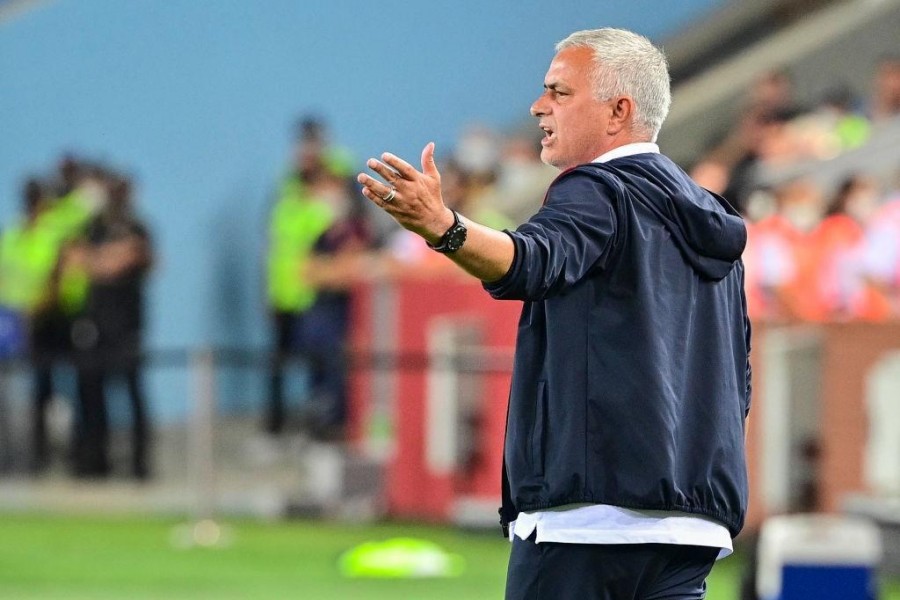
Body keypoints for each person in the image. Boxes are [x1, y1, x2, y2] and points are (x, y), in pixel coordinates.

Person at [357, 28, 750, 600]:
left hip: (590, 521)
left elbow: (531, 260)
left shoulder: (597, 189)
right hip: (691, 525)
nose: (539, 107)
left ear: (619, 111)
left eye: (560, 92)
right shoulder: (711, 215)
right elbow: (738, 380)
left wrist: (444, 228)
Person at [75, 176, 154, 478]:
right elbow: (83, 262)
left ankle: (139, 464)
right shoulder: (93, 228)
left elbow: (139, 257)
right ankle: (96, 462)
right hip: (96, 324)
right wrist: (115, 255)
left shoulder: (139, 227)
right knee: (92, 395)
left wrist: (109, 258)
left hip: (128, 325)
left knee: (134, 392)